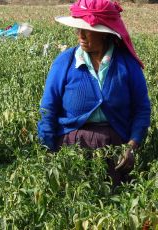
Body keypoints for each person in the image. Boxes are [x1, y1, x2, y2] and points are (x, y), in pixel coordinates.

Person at [38, 0, 151, 187]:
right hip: (71, 146)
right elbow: (48, 108)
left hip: (113, 148)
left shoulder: (126, 65)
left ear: (104, 32)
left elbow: (141, 109)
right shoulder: (65, 62)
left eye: (86, 29)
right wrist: (49, 151)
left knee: (110, 202)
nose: (80, 35)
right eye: (78, 29)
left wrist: (131, 146)